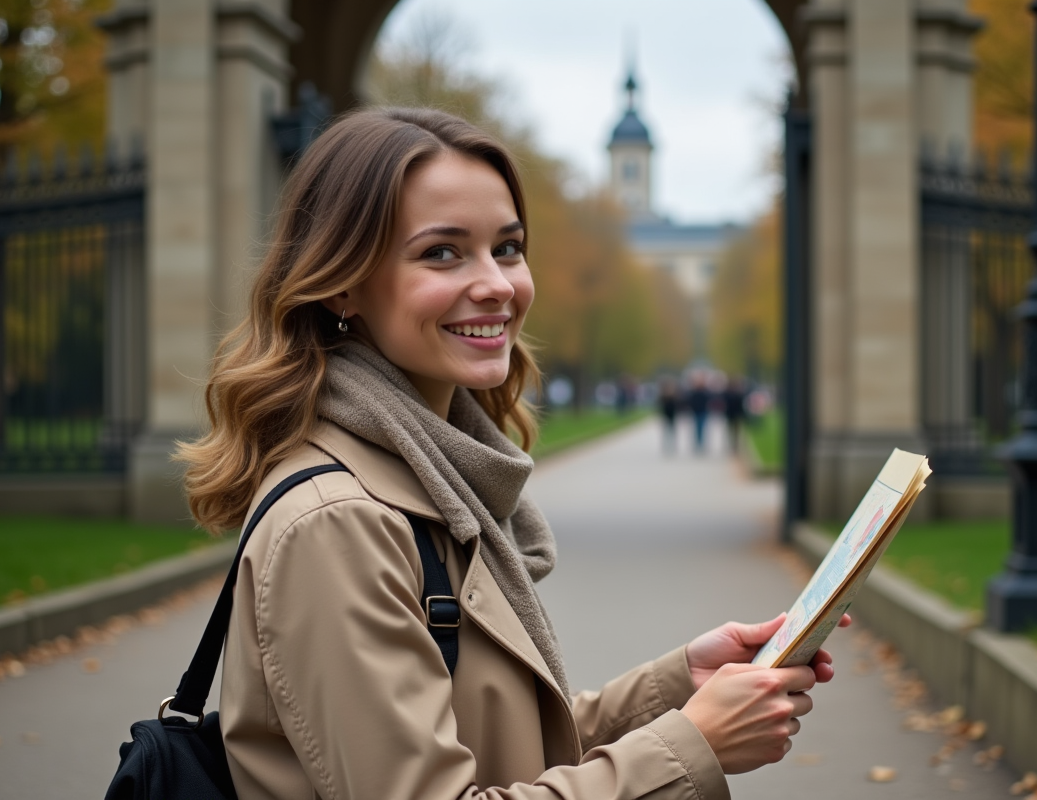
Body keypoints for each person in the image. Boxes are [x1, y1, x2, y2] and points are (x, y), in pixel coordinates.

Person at [178, 108, 846, 800]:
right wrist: (690, 747)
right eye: (442, 252)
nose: (497, 284)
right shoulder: (340, 523)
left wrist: (678, 685)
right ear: (343, 282)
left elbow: (504, 744)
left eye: (507, 247)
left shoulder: (431, 476)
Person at [685, 371, 712, 453]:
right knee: (697, 428)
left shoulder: (705, 391)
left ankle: (701, 443)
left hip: (703, 411)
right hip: (696, 411)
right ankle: (698, 443)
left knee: (702, 428)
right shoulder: (694, 391)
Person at [721, 377, 748, 454]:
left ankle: (735, 445)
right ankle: (734, 445)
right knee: (733, 430)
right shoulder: (732, 394)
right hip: (732, 414)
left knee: (734, 431)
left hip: (733, 414)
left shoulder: (734, 394)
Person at [658, 376, 680, 453]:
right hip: (666, 415)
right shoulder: (663, 395)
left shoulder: (674, 395)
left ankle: (672, 445)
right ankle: (667, 445)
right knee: (666, 431)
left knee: (672, 431)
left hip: (672, 415)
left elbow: (678, 405)